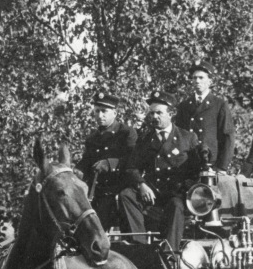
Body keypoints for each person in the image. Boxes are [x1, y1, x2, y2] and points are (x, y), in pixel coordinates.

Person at [118, 90, 204, 254]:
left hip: (176, 194)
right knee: (126, 195)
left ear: (171, 113)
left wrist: (186, 187)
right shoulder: (145, 139)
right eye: (151, 113)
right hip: (153, 194)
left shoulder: (187, 138)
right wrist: (141, 185)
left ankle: (169, 252)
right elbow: (132, 167)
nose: (154, 117)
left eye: (159, 113)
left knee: (176, 205)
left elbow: (196, 171)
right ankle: (140, 247)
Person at [74, 90, 137, 231]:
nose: (99, 115)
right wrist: (77, 171)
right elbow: (86, 162)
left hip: (119, 189)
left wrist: (110, 163)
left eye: (104, 111)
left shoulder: (126, 133)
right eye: (96, 111)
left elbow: (133, 160)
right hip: (97, 191)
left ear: (115, 113)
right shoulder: (92, 138)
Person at [174, 59, 235, 173]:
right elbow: (178, 135)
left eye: (201, 78)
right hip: (186, 164)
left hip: (210, 164)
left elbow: (228, 136)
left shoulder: (219, 104)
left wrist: (222, 167)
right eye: (194, 78)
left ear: (210, 81)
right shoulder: (184, 106)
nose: (197, 81)